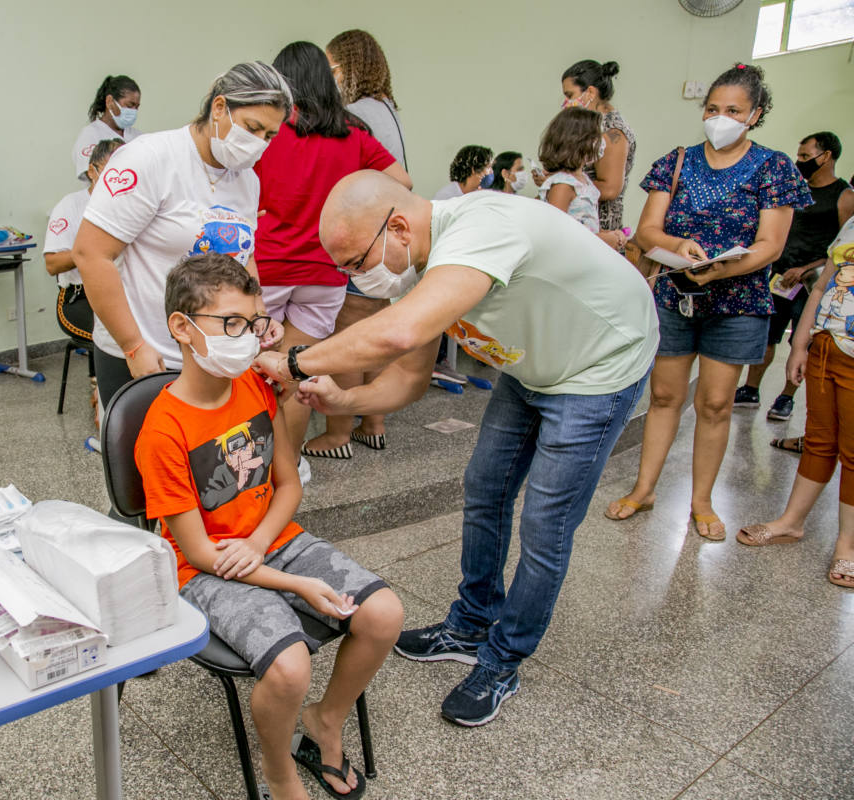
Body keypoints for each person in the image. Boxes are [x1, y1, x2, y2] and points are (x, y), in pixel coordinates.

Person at [255, 170, 657, 727]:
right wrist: (344, 396)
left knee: (545, 522)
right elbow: (410, 377)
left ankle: (503, 658)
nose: (352, 278)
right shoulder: (417, 267)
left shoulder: (479, 228)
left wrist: (296, 360)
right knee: (486, 485)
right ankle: (471, 622)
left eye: (353, 263)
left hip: (599, 365)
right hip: (534, 365)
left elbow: (397, 335)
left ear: (398, 226)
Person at [135, 253, 402, 799]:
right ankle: (278, 770)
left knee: (383, 614)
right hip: (203, 569)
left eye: (253, 324)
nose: (247, 338)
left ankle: (324, 720)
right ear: (183, 328)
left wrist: (260, 543)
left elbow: (289, 485)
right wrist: (296, 583)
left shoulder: (255, 387)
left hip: (267, 540)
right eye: (230, 325)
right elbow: (201, 555)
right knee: (288, 667)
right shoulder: (162, 432)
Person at [605, 63, 811, 541]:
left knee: (715, 404)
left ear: (755, 114)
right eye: (713, 108)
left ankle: (701, 502)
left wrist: (722, 266)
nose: (721, 118)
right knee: (663, 397)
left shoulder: (773, 167)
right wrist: (679, 247)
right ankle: (644, 488)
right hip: (676, 296)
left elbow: (770, 245)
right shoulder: (676, 161)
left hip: (737, 302)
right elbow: (649, 230)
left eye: (733, 110)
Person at [73, 62, 291, 412]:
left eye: (269, 136)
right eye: (252, 128)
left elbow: (242, 254)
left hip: (210, 352)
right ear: (219, 108)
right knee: (142, 462)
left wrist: (258, 316)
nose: (258, 144)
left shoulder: (247, 179)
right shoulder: (150, 158)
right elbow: (90, 254)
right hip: (147, 353)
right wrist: (134, 346)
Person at [252, 41, 410, 463]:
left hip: (267, 267)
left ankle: (252, 473)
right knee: (297, 373)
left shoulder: (268, 132)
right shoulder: (353, 133)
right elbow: (403, 182)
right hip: (325, 273)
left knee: (255, 374)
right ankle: (289, 468)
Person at [737, 218, 854, 589]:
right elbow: (821, 286)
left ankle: (847, 544)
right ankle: (791, 522)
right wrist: (801, 343)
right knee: (819, 440)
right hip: (826, 346)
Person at [321, 29, 409, 463]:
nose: (328, 77)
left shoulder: (355, 114)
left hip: (366, 238)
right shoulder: (387, 109)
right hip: (393, 243)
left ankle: (337, 433)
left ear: (348, 67)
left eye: (332, 67)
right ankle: (373, 424)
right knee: (376, 332)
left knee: (350, 334)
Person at [735, 131, 853, 422]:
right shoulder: (793, 188)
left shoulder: (844, 196)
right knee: (767, 336)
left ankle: (786, 396)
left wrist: (805, 270)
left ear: (825, 157)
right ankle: (751, 389)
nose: (799, 162)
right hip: (778, 277)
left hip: (810, 282)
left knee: (799, 342)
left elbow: (841, 250)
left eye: (805, 157)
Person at [44, 138, 124, 424]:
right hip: (78, 297)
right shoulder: (72, 206)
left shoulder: (131, 205)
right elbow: (51, 263)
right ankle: (106, 401)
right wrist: (87, 252)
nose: (118, 177)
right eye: (111, 169)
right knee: (116, 331)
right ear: (92, 170)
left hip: (120, 290)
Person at [559, 59, 636, 232]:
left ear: (590, 92)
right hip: (580, 224)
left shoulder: (612, 130)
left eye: (569, 95)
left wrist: (561, 185)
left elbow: (609, 188)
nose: (565, 102)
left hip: (600, 228)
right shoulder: (590, 126)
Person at [536, 107, 628, 252]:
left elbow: (583, 223)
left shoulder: (583, 179)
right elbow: (557, 233)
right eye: (597, 136)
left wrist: (609, 233)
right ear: (578, 141)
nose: (602, 142)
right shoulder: (563, 185)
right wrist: (603, 239)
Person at [326, 30, 406, 167]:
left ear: (351, 68)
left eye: (332, 71)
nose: (329, 79)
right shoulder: (386, 105)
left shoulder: (355, 112)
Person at [71, 75, 142, 183]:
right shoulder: (91, 135)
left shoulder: (138, 137)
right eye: (129, 105)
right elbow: (93, 174)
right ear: (110, 101)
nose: (133, 111)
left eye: (136, 107)